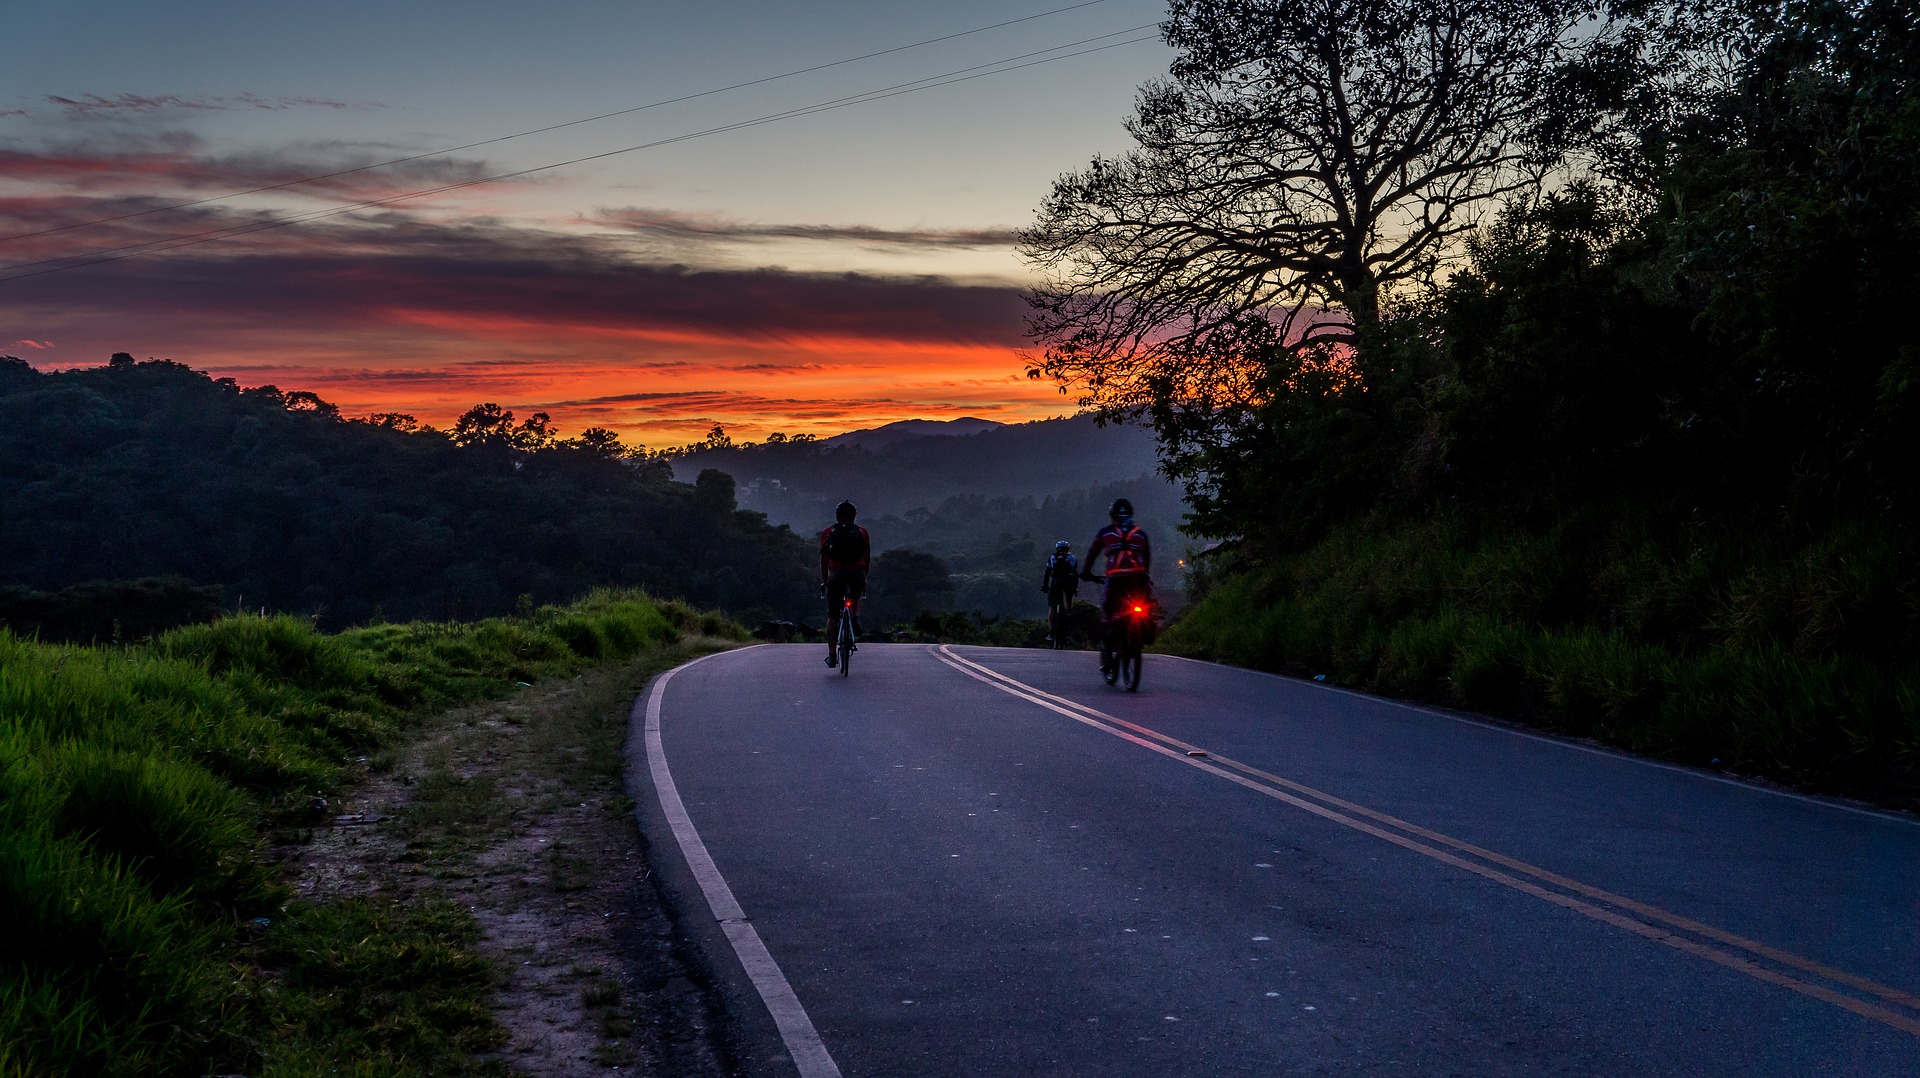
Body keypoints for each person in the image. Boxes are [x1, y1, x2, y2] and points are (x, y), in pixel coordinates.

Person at [1081, 498, 1151, 672]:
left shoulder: (1106, 533)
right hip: (1139, 578)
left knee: (1108, 613)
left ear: (1112, 516)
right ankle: (1138, 633)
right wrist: (1146, 575)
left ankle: (1108, 650)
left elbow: (1092, 553)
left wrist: (1086, 573)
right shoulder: (1140, 533)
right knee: (1144, 606)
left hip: (1115, 579)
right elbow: (1147, 556)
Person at [819, 499, 870, 667]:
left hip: (836, 574)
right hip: (857, 573)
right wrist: (864, 576)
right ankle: (855, 618)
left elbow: (824, 559)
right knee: (855, 596)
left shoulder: (828, 532)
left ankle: (832, 655)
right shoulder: (862, 532)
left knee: (833, 616)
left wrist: (825, 580)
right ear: (854, 516)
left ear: (837, 516)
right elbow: (866, 557)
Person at [1039, 540, 1079, 644]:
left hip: (1056, 583)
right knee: (1068, 598)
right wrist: (1075, 588)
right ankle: (1069, 613)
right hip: (1069, 583)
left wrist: (1045, 586)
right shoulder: (1073, 558)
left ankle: (1051, 632)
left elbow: (1047, 573)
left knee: (1052, 606)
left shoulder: (1052, 557)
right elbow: (1075, 574)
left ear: (1057, 548)